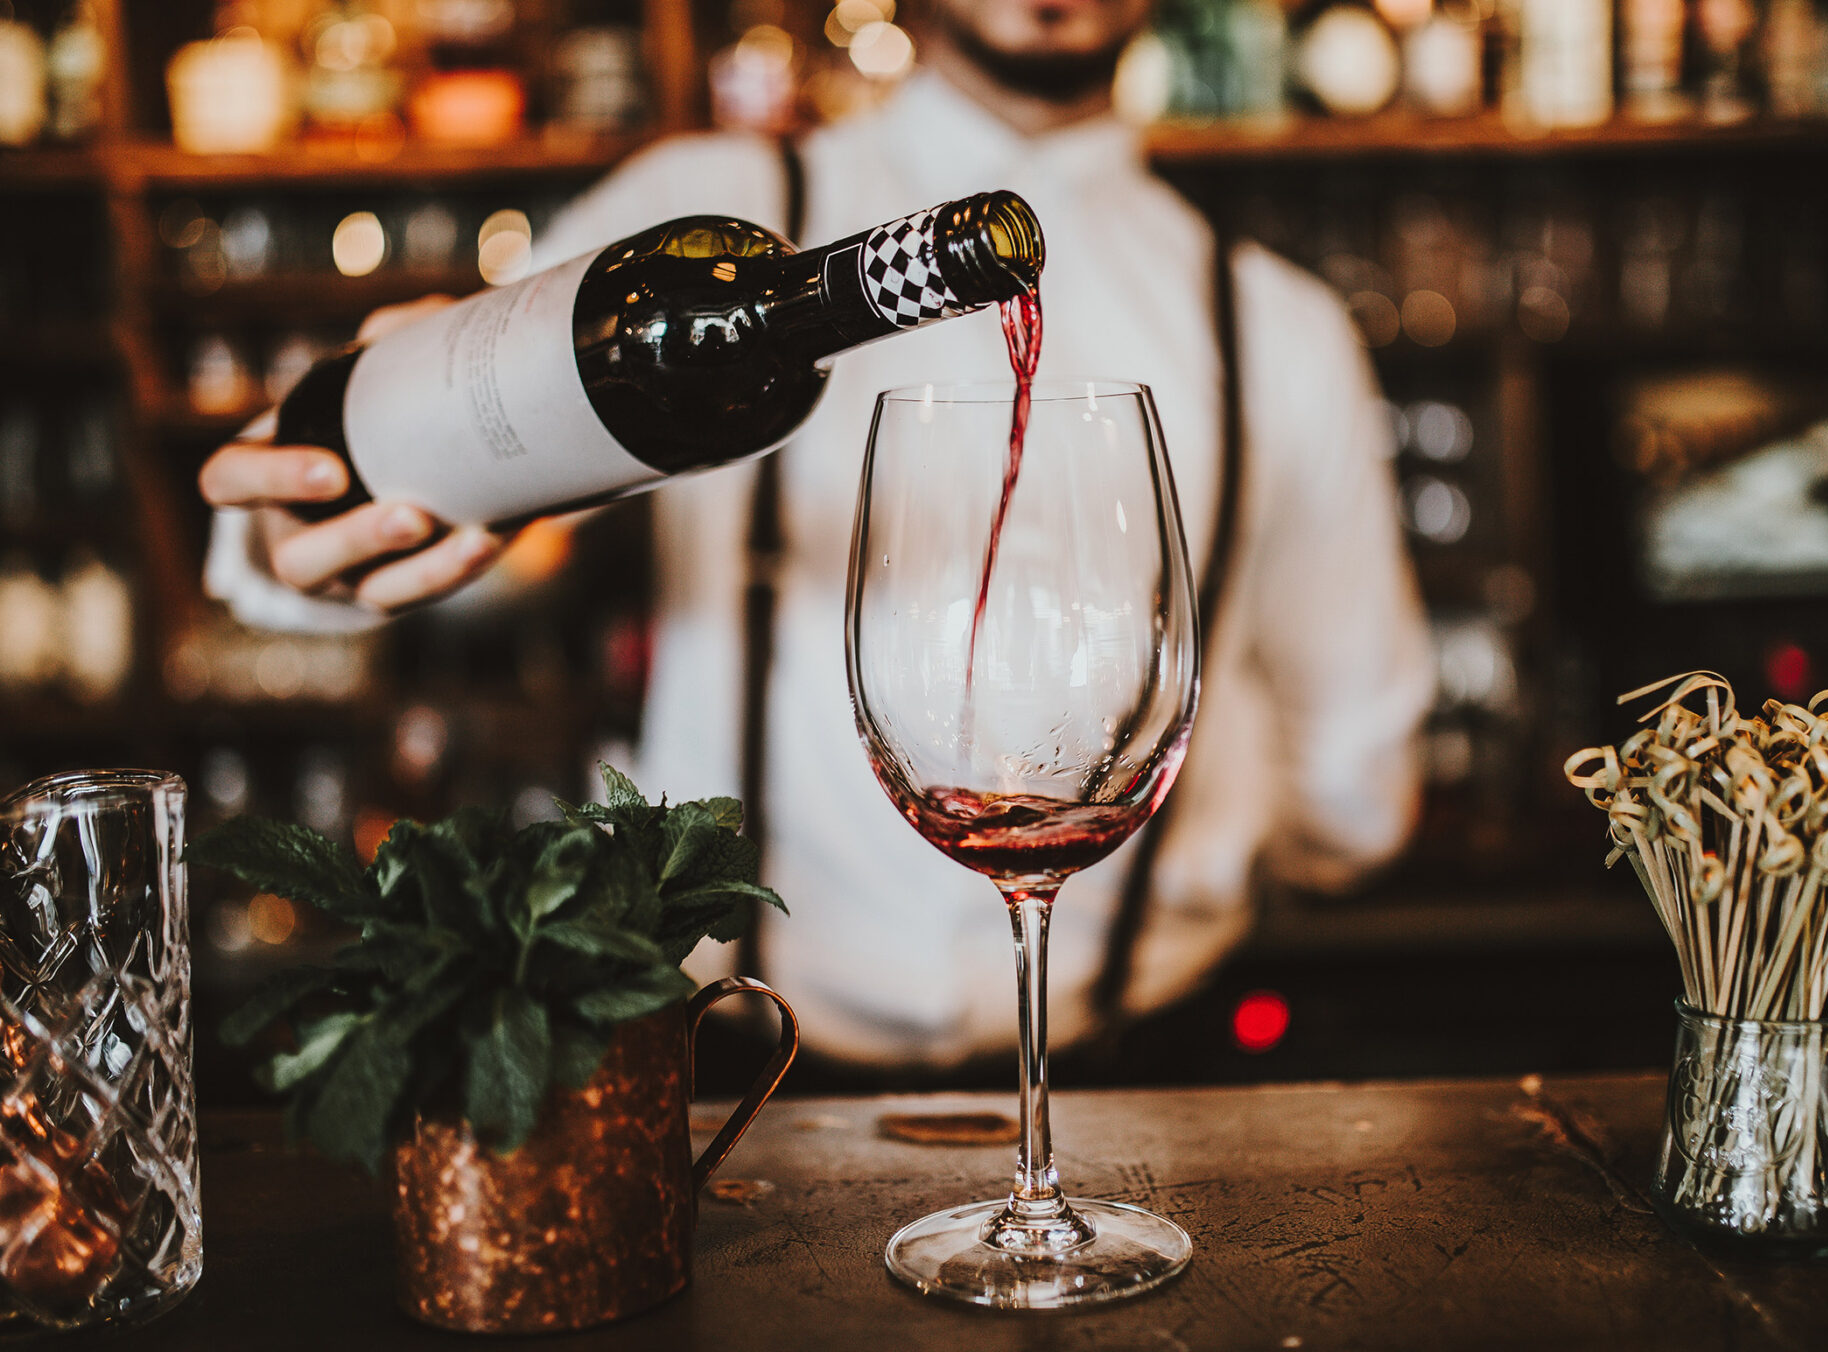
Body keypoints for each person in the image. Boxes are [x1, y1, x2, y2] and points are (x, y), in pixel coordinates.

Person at [199, 0, 1435, 1069]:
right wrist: (302, 523)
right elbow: (418, 475)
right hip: (738, 1080)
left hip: (1149, 1085)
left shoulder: (1281, 325)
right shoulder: (712, 208)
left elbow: (1358, 783)